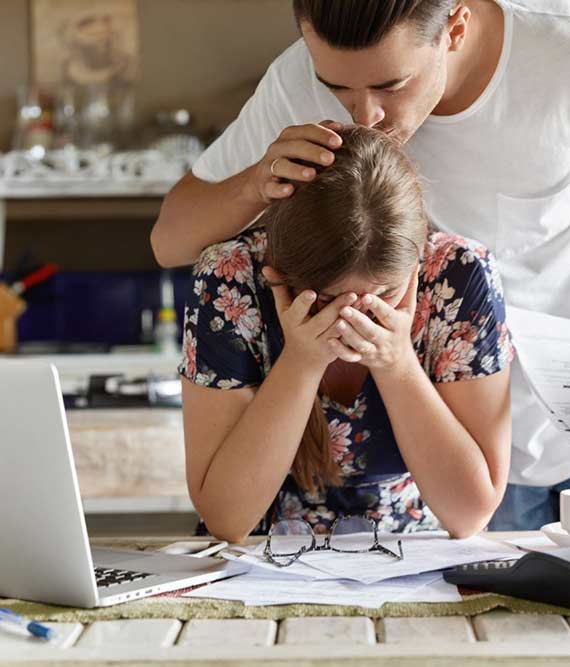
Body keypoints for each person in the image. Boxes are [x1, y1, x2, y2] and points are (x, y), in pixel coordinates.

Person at [156, 0, 570, 530]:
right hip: (444, 437)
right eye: (337, 88)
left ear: (456, 29)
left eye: (391, 85)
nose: (365, 115)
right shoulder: (303, 74)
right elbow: (170, 241)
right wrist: (257, 180)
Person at [179, 125, 514, 541]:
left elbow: (469, 514)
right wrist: (301, 363)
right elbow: (227, 520)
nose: (353, 316)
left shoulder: (459, 272)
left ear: (415, 264)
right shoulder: (230, 275)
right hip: (264, 553)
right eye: (328, 297)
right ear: (281, 273)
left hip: (410, 551)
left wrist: (397, 364)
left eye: (382, 295)